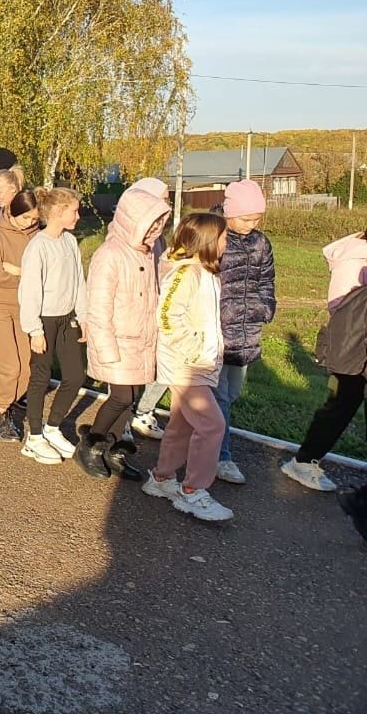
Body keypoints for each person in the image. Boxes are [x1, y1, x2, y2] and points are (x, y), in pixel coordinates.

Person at [142, 213, 234, 522]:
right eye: (223, 238)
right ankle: (193, 491)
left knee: (181, 423)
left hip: (197, 363)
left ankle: (162, 477)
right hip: (186, 364)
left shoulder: (206, 273)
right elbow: (167, 317)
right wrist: (194, 348)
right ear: (208, 240)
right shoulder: (186, 274)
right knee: (212, 425)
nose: (227, 243)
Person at [78, 188, 171, 479]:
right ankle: (90, 444)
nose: (156, 229)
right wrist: (105, 350)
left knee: (130, 397)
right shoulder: (110, 254)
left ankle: (113, 449)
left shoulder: (151, 250)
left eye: (159, 222)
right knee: (120, 396)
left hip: (141, 340)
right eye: (150, 223)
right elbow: (98, 306)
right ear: (133, 221)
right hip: (117, 341)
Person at [280, 226, 367, 493]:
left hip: (353, 342)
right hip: (353, 343)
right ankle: (304, 461)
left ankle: (305, 459)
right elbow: (342, 306)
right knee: (342, 403)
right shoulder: (356, 258)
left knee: (343, 403)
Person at [17, 187, 87, 464]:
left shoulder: (70, 242)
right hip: (43, 320)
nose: (78, 216)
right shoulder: (38, 246)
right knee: (41, 376)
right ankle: (33, 438)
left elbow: (79, 282)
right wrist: (34, 330)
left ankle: (53, 428)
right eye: (74, 210)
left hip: (67, 317)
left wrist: (83, 316)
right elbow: (30, 290)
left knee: (75, 376)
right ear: (57, 213)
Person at [213, 179, 277, 485]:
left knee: (232, 393)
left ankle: (199, 435)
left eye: (257, 219)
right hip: (216, 329)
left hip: (247, 330)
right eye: (246, 218)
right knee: (221, 396)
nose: (252, 224)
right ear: (229, 212)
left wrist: (265, 307)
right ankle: (221, 458)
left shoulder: (261, 243)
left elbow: (268, 280)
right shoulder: (214, 236)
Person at [0, 189, 39, 441]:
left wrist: (15, 269)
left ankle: (9, 401)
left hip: (25, 304)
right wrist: (23, 272)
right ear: (14, 214)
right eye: (26, 218)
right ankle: (1, 411)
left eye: (35, 218)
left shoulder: (37, 234)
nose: (31, 223)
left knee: (26, 367)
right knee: (10, 365)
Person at [128, 176, 173, 439]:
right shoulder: (124, 237)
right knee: (132, 370)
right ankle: (124, 417)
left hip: (156, 309)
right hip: (132, 314)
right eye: (162, 198)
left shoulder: (161, 239)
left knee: (162, 365)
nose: (166, 204)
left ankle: (143, 410)